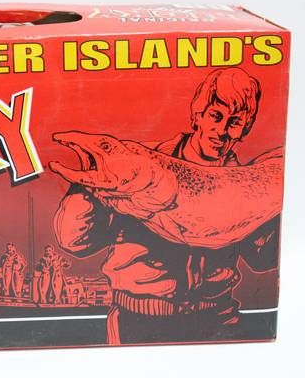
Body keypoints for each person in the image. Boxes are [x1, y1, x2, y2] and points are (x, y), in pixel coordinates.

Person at [53, 67, 280, 344]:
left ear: (244, 129)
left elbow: (262, 259)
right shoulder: (141, 165)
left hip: (218, 318)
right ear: (197, 115)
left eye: (234, 122)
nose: (221, 131)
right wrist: (90, 189)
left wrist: (279, 212)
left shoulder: (245, 181)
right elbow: (73, 240)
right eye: (215, 116)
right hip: (138, 320)